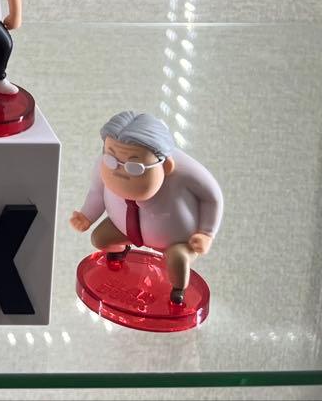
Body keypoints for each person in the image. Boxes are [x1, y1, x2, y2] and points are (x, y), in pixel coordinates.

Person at [70, 111, 224, 304]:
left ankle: (177, 291)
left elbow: (213, 198)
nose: (119, 172)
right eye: (111, 160)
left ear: (166, 166)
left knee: (178, 259)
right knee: (100, 238)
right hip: (123, 227)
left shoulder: (187, 172)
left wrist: (206, 233)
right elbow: (96, 191)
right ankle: (120, 251)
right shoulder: (106, 161)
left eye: (134, 167)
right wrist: (87, 216)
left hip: (176, 240)